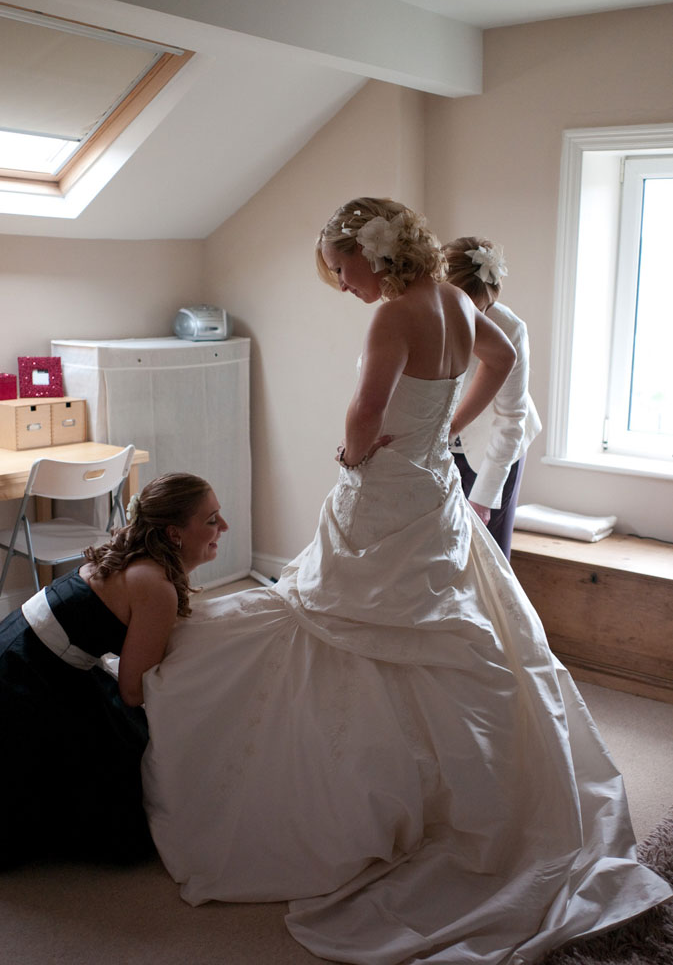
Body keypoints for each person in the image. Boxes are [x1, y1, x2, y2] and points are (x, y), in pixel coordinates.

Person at [141, 199, 672, 965]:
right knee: (428, 631)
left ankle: (363, 794)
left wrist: (353, 455)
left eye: (342, 266)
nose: (340, 281)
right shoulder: (457, 299)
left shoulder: (393, 317)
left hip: (389, 488)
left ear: (374, 255)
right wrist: (446, 428)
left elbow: (364, 410)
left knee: (346, 620)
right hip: (432, 492)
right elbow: (503, 360)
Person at [0, 471, 227, 868]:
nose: (222, 527)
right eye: (211, 520)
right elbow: (133, 692)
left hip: (19, 644)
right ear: (174, 534)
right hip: (23, 679)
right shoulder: (155, 585)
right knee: (126, 767)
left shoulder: (138, 557)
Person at [444, 235, 541, 559]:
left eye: (482, 310)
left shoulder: (510, 329)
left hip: (495, 447)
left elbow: (512, 419)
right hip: (441, 446)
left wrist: (484, 497)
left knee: (486, 556)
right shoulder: (424, 314)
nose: (472, 321)